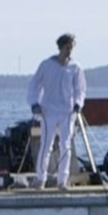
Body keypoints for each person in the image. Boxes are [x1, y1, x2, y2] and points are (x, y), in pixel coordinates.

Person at [26, 32, 86, 188]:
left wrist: (78, 104)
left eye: (71, 48)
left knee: (66, 145)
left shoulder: (75, 67)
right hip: (49, 110)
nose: (69, 51)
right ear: (61, 47)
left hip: (67, 111)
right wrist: (34, 103)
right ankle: (41, 178)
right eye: (67, 47)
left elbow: (80, 89)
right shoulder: (46, 65)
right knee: (47, 144)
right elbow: (34, 85)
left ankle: (62, 180)